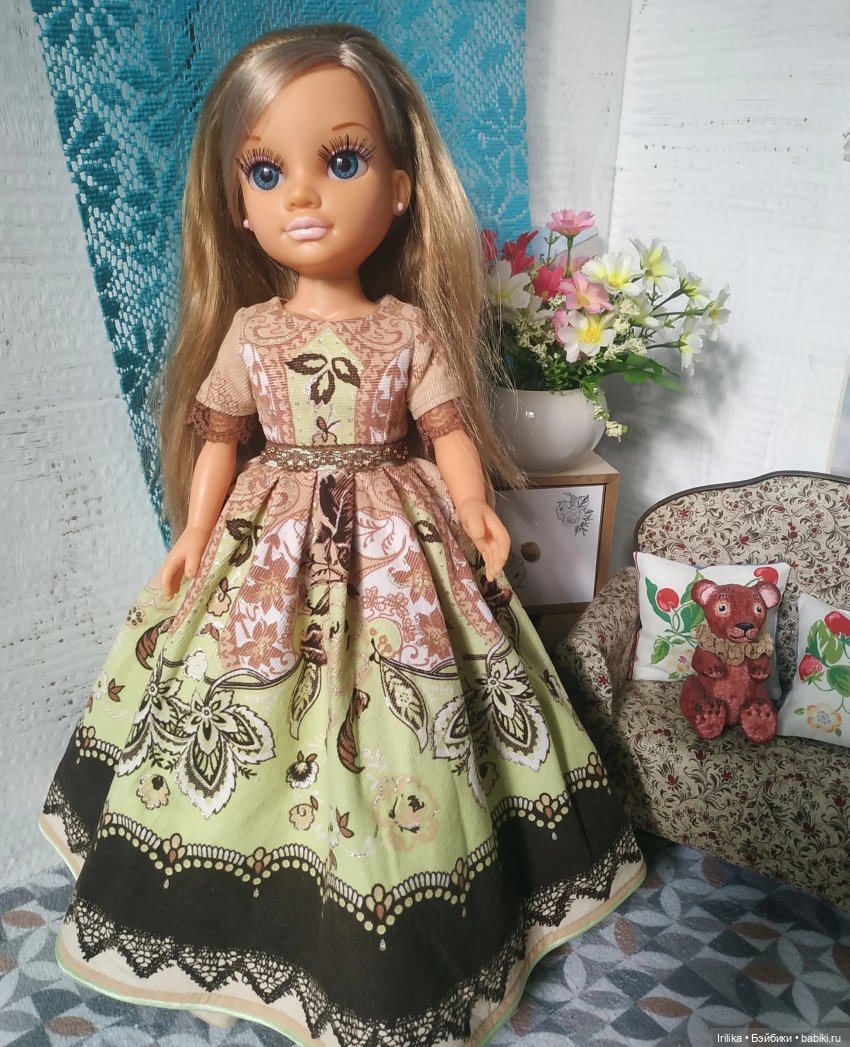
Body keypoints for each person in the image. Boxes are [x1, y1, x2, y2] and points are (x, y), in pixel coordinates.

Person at [39, 23, 645, 1046]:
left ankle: (401, 918)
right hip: (265, 547)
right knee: (245, 700)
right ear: (239, 204)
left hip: (400, 546)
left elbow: (448, 429)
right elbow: (219, 434)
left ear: (400, 190)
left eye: (344, 161)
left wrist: (476, 511)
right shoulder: (253, 331)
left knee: (413, 707)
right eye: (267, 172)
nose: (304, 197)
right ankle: (260, 921)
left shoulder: (405, 326)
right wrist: (195, 532)